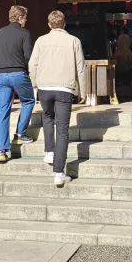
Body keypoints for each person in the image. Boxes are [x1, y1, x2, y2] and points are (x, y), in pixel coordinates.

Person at [29, 10, 87, 187]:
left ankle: (49, 151)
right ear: (64, 23)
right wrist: (83, 90)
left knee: (47, 117)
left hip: (44, 87)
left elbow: (32, 64)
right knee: (62, 130)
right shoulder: (74, 41)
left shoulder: (41, 40)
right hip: (64, 88)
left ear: (49, 24)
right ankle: (59, 172)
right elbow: (80, 67)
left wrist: (35, 84)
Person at [0, 5, 37, 163]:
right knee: (28, 100)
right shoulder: (24, 33)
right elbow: (28, 55)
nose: (26, 20)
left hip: (1, 74)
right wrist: (24, 69)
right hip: (18, 72)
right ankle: (20, 133)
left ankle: (1, 150)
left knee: (2, 111)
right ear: (20, 17)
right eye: (25, 17)